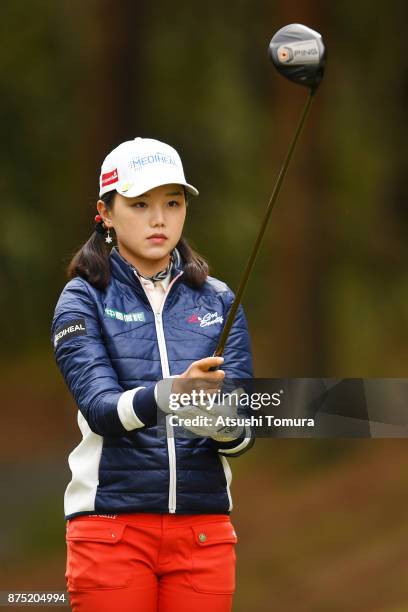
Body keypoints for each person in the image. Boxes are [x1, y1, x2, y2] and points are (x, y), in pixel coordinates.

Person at [51, 136, 255, 612]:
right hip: (110, 531)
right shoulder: (82, 300)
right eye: (140, 204)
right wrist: (172, 393)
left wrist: (217, 421)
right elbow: (102, 411)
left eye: (172, 202)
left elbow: (243, 433)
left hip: (204, 535)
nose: (159, 218)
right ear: (105, 212)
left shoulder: (221, 301)